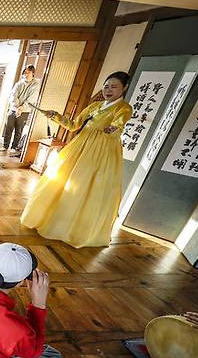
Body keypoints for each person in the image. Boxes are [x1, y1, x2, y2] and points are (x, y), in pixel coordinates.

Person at [20, 71, 133, 248]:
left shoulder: (124, 108)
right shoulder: (94, 106)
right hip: (80, 145)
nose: (108, 90)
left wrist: (111, 129)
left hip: (102, 150)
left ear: (124, 88)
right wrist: (55, 116)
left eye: (114, 86)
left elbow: (117, 126)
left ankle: (74, 230)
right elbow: (73, 126)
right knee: (60, 179)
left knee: (84, 186)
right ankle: (48, 219)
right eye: (106, 86)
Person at [1, 65, 40, 154]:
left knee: (19, 130)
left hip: (25, 111)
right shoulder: (19, 84)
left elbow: (31, 99)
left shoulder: (36, 85)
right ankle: (5, 145)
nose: (26, 74)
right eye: (25, 72)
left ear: (33, 73)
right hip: (13, 109)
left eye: (28, 72)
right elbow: (13, 95)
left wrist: (22, 108)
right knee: (8, 128)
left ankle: (14, 147)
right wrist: (17, 107)